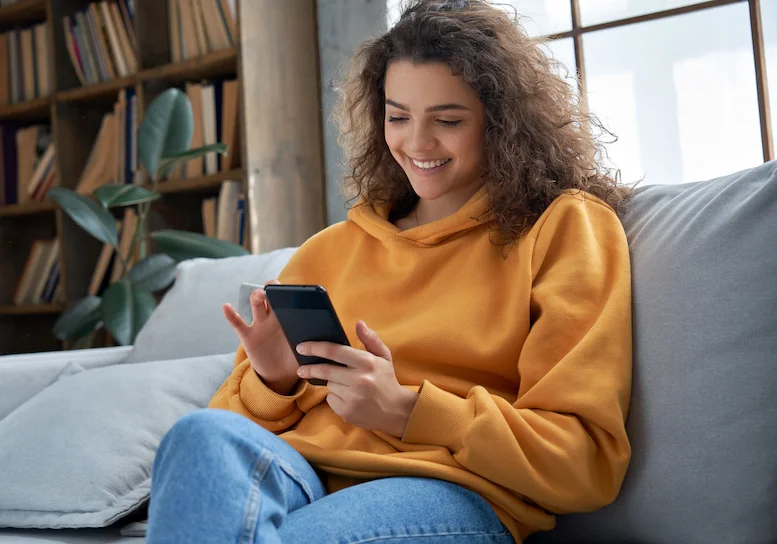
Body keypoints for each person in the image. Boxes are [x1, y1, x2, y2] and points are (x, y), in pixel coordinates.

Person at [145, 0, 635, 542]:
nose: (417, 144)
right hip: (303, 473)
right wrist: (274, 381)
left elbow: (584, 461)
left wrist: (406, 409)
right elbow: (238, 432)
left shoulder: (563, 228)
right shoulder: (329, 250)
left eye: (447, 120)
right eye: (398, 117)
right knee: (200, 436)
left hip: (448, 488)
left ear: (502, 123)